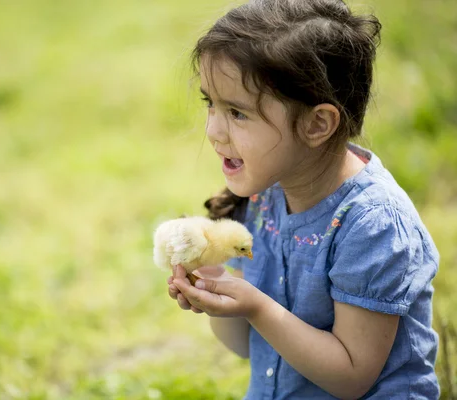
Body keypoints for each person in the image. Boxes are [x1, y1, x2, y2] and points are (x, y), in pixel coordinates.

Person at [166, 0, 440, 398]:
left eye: (238, 113)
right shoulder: (266, 194)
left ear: (317, 124)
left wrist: (256, 305)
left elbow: (351, 377)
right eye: (211, 103)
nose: (214, 130)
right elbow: (245, 345)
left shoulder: (372, 222)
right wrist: (216, 291)